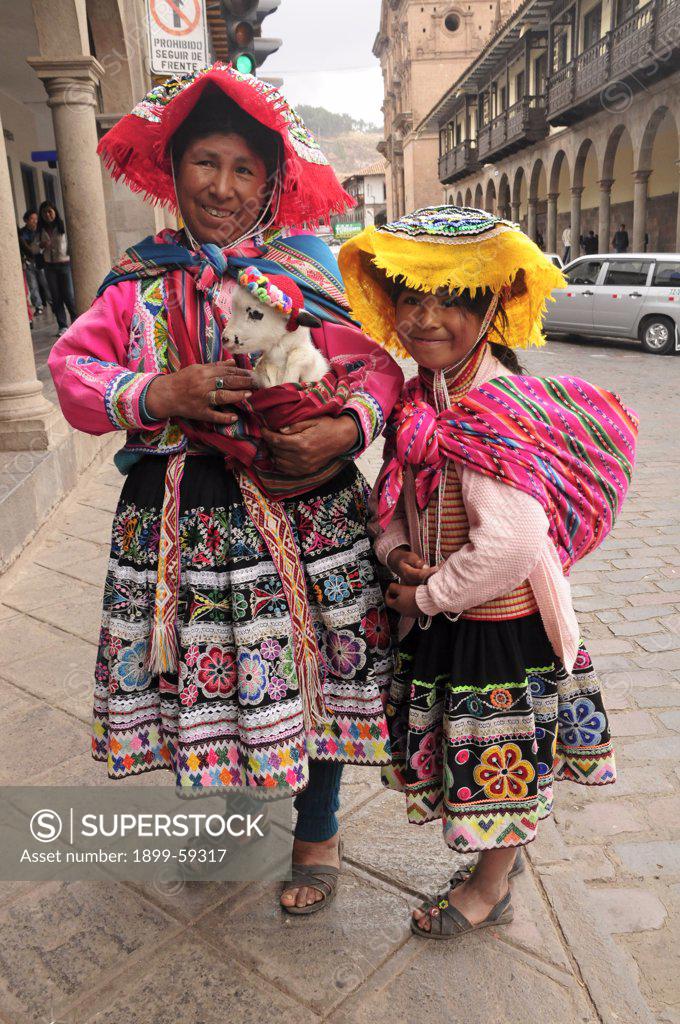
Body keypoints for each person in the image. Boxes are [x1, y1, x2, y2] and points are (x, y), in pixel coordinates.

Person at [48, 63, 403, 915]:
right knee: (227, 674)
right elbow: (71, 371)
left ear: (272, 181)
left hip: (307, 508)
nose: (224, 186)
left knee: (315, 670)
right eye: (206, 161)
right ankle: (240, 804)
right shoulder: (136, 281)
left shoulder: (306, 272)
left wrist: (346, 427)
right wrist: (155, 394)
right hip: (186, 517)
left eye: (246, 169)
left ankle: (317, 826)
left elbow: (376, 370)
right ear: (173, 169)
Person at [339, 205, 638, 939]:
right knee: (483, 763)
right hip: (459, 617)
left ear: (490, 308)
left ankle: (490, 889)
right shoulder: (426, 398)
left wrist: (427, 592)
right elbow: (398, 496)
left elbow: (509, 542)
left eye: (450, 300)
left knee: (498, 770)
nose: (425, 317)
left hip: (497, 627)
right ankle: (495, 868)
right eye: (411, 299)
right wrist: (394, 548)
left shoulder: (487, 406)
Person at [38, 200, 76, 335]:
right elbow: (35, 247)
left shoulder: (62, 226)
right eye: (44, 212)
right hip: (49, 266)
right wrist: (41, 245)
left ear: (55, 212)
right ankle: (62, 325)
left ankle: (76, 321)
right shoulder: (40, 229)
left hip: (64, 264)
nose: (48, 215)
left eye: (50, 211)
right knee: (56, 297)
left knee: (69, 295)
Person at [18, 209, 48, 314]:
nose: (35, 221)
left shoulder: (40, 231)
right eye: (32, 219)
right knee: (33, 285)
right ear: (26, 220)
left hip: (41, 260)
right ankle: (38, 306)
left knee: (45, 283)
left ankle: (52, 302)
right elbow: (24, 248)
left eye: (36, 219)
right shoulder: (22, 232)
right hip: (29, 261)